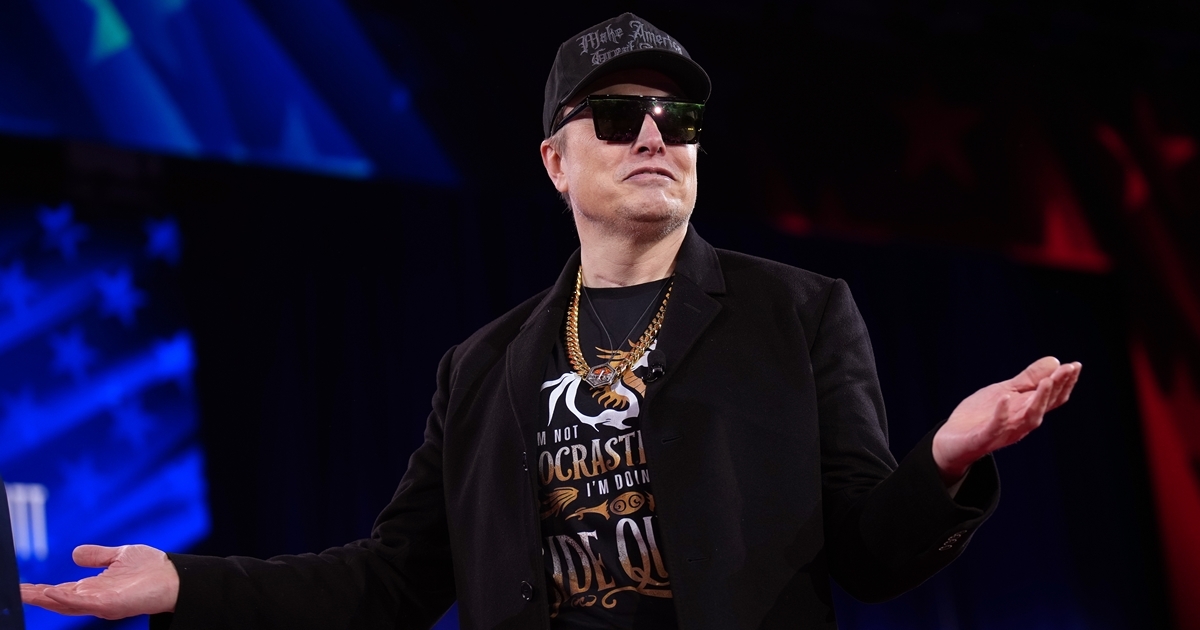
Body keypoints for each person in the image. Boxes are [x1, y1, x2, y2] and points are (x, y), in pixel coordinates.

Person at [21, 13, 1081, 630]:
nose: (655, 136)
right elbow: (392, 579)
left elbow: (870, 556)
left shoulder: (799, 313)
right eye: (618, 117)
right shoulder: (481, 368)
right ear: (555, 163)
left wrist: (943, 461)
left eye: (678, 118)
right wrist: (186, 583)